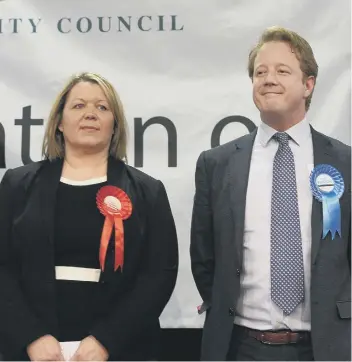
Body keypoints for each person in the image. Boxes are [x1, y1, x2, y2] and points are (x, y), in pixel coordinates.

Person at [190, 26, 351, 361]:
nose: (268, 79)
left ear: (308, 85)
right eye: (260, 72)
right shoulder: (216, 164)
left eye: (282, 70)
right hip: (240, 347)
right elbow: (204, 258)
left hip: (326, 348)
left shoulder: (345, 162)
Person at [0, 72, 178, 361]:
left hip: (121, 351)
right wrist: (30, 336)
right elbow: (2, 268)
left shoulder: (148, 191)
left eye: (102, 107)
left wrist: (107, 340)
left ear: (114, 125)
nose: (91, 114)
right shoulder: (17, 185)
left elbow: (158, 275)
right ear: (59, 122)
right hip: (34, 352)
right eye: (79, 106)